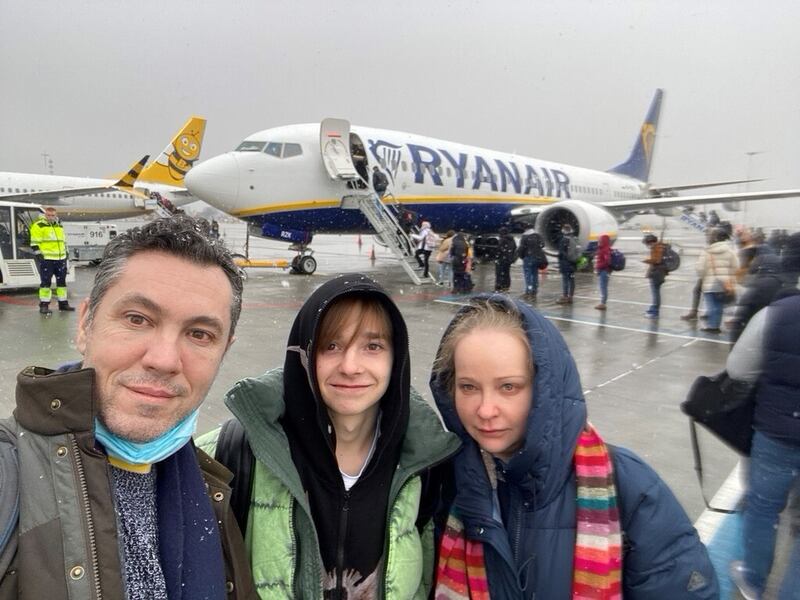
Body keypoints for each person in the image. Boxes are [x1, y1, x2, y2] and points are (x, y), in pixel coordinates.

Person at [0, 216, 257, 598]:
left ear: (224, 351)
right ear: (86, 323)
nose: (165, 359)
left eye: (200, 334)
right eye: (137, 319)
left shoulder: (211, 491)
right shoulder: (9, 475)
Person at [430, 296, 719, 599]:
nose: (486, 410)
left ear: (544, 389)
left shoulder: (630, 487)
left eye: (508, 387)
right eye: (469, 387)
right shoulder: (447, 481)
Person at [197, 274, 460, 599]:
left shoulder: (427, 463)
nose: (351, 366)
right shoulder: (221, 457)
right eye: (331, 345)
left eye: (372, 346)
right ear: (304, 354)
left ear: (396, 359)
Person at [727, 294, 800, 600]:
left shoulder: (778, 312)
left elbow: (738, 369)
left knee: (763, 507)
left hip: (778, 432)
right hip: (778, 429)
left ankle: (753, 580)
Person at [29, 206, 75, 314]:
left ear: (56, 215)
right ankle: (44, 305)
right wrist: (41, 257)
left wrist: (66, 255)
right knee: (46, 284)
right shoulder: (38, 226)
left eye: (53, 215)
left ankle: (63, 304)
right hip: (48, 260)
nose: (51, 217)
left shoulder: (59, 226)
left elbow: (63, 242)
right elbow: (34, 243)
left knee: (62, 283)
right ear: (45, 215)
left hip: (60, 259)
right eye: (48, 215)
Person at [695, 227, 738, 334]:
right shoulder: (730, 251)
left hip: (710, 283)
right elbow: (736, 266)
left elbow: (700, 269)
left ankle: (712, 326)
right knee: (719, 306)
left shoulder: (707, 251)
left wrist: (703, 276)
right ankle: (716, 325)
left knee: (711, 305)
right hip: (724, 283)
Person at [516, 228, 546, 300]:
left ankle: (528, 291)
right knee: (535, 275)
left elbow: (521, 249)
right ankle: (534, 291)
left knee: (528, 276)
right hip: (537, 258)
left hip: (528, 258)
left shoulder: (525, 237)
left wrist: (522, 256)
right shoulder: (538, 236)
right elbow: (542, 245)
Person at [642, 233, 667, 318]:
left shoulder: (656, 248)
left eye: (647, 244)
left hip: (656, 273)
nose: (647, 246)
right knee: (656, 292)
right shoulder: (661, 247)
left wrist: (646, 260)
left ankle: (655, 311)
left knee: (655, 293)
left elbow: (657, 260)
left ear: (650, 242)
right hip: (661, 273)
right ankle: (653, 309)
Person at [556, 224, 577, 304]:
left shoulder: (563, 240)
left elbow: (561, 253)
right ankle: (571, 296)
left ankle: (565, 296)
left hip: (565, 264)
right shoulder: (574, 239)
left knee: (565, 280)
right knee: (572, 280)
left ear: (564, 230)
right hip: (573, 263)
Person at [494, 227, 517, 293]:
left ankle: (499, 287)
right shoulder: (512, 240)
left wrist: (496, 255)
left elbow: (499, 249)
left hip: (501, 259)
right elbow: (514, 248)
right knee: (506, 274)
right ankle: (506, 287)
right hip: (508, 259)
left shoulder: (502, 239)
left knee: (499, 273)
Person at [594, 233, 612, 310]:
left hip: (604, 271)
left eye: (600, 240)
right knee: (603, 287)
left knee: (603, 287)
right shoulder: (603, 248)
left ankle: (603, 303)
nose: (599, 241)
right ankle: (602, 302)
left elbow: (607, 261)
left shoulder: (605, 249)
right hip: (603, 270)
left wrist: (599, 267)